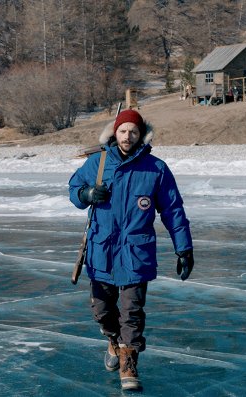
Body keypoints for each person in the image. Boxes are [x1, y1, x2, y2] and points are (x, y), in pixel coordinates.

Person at [68, 109, 195, 391]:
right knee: (102, 311)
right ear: (115, 133)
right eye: (123, 131)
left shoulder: (155, 169)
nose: (128, 136)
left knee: (132, 312)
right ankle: (114, 342)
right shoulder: (97, 163)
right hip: (102, 252)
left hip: (136, 254)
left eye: (133, 132)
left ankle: (129, 361)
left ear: (141, 136)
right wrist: (86, 194)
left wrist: (184, 249)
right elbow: (74, 187)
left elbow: (173, 210)